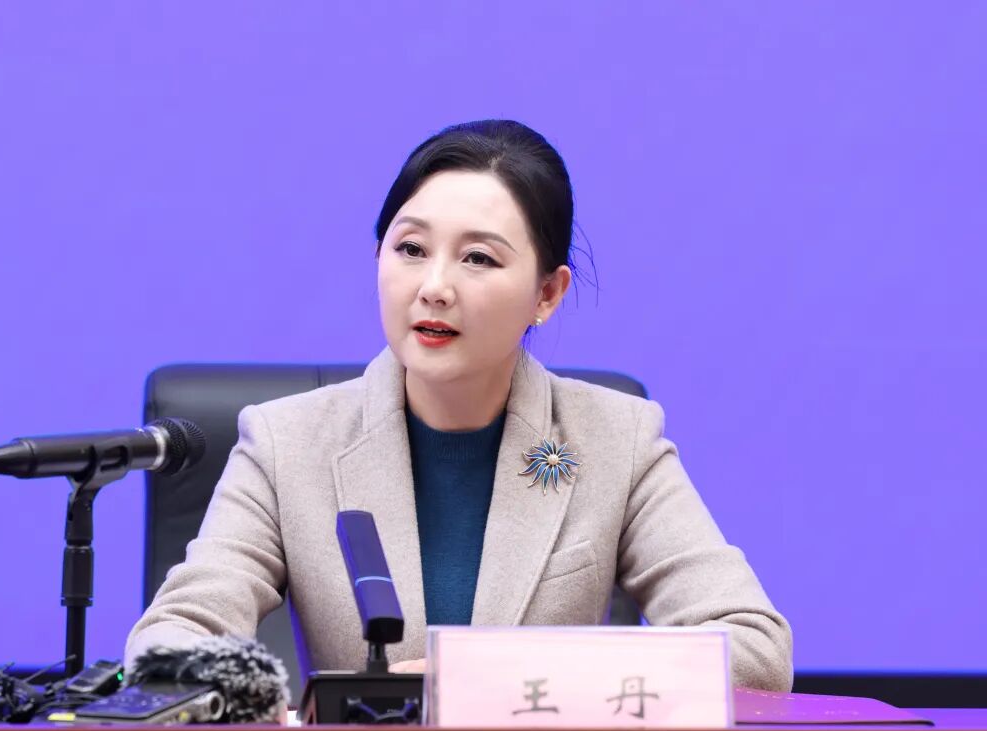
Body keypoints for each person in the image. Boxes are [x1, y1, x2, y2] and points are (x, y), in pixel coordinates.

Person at [126, 119, 793, 691]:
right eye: (411, 249)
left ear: (547, 294)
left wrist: (486, 677)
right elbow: (173, 635)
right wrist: (245, 702)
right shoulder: (285, 443)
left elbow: (755, 652)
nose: (435, 287)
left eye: (477, 258)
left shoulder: (616, 440)